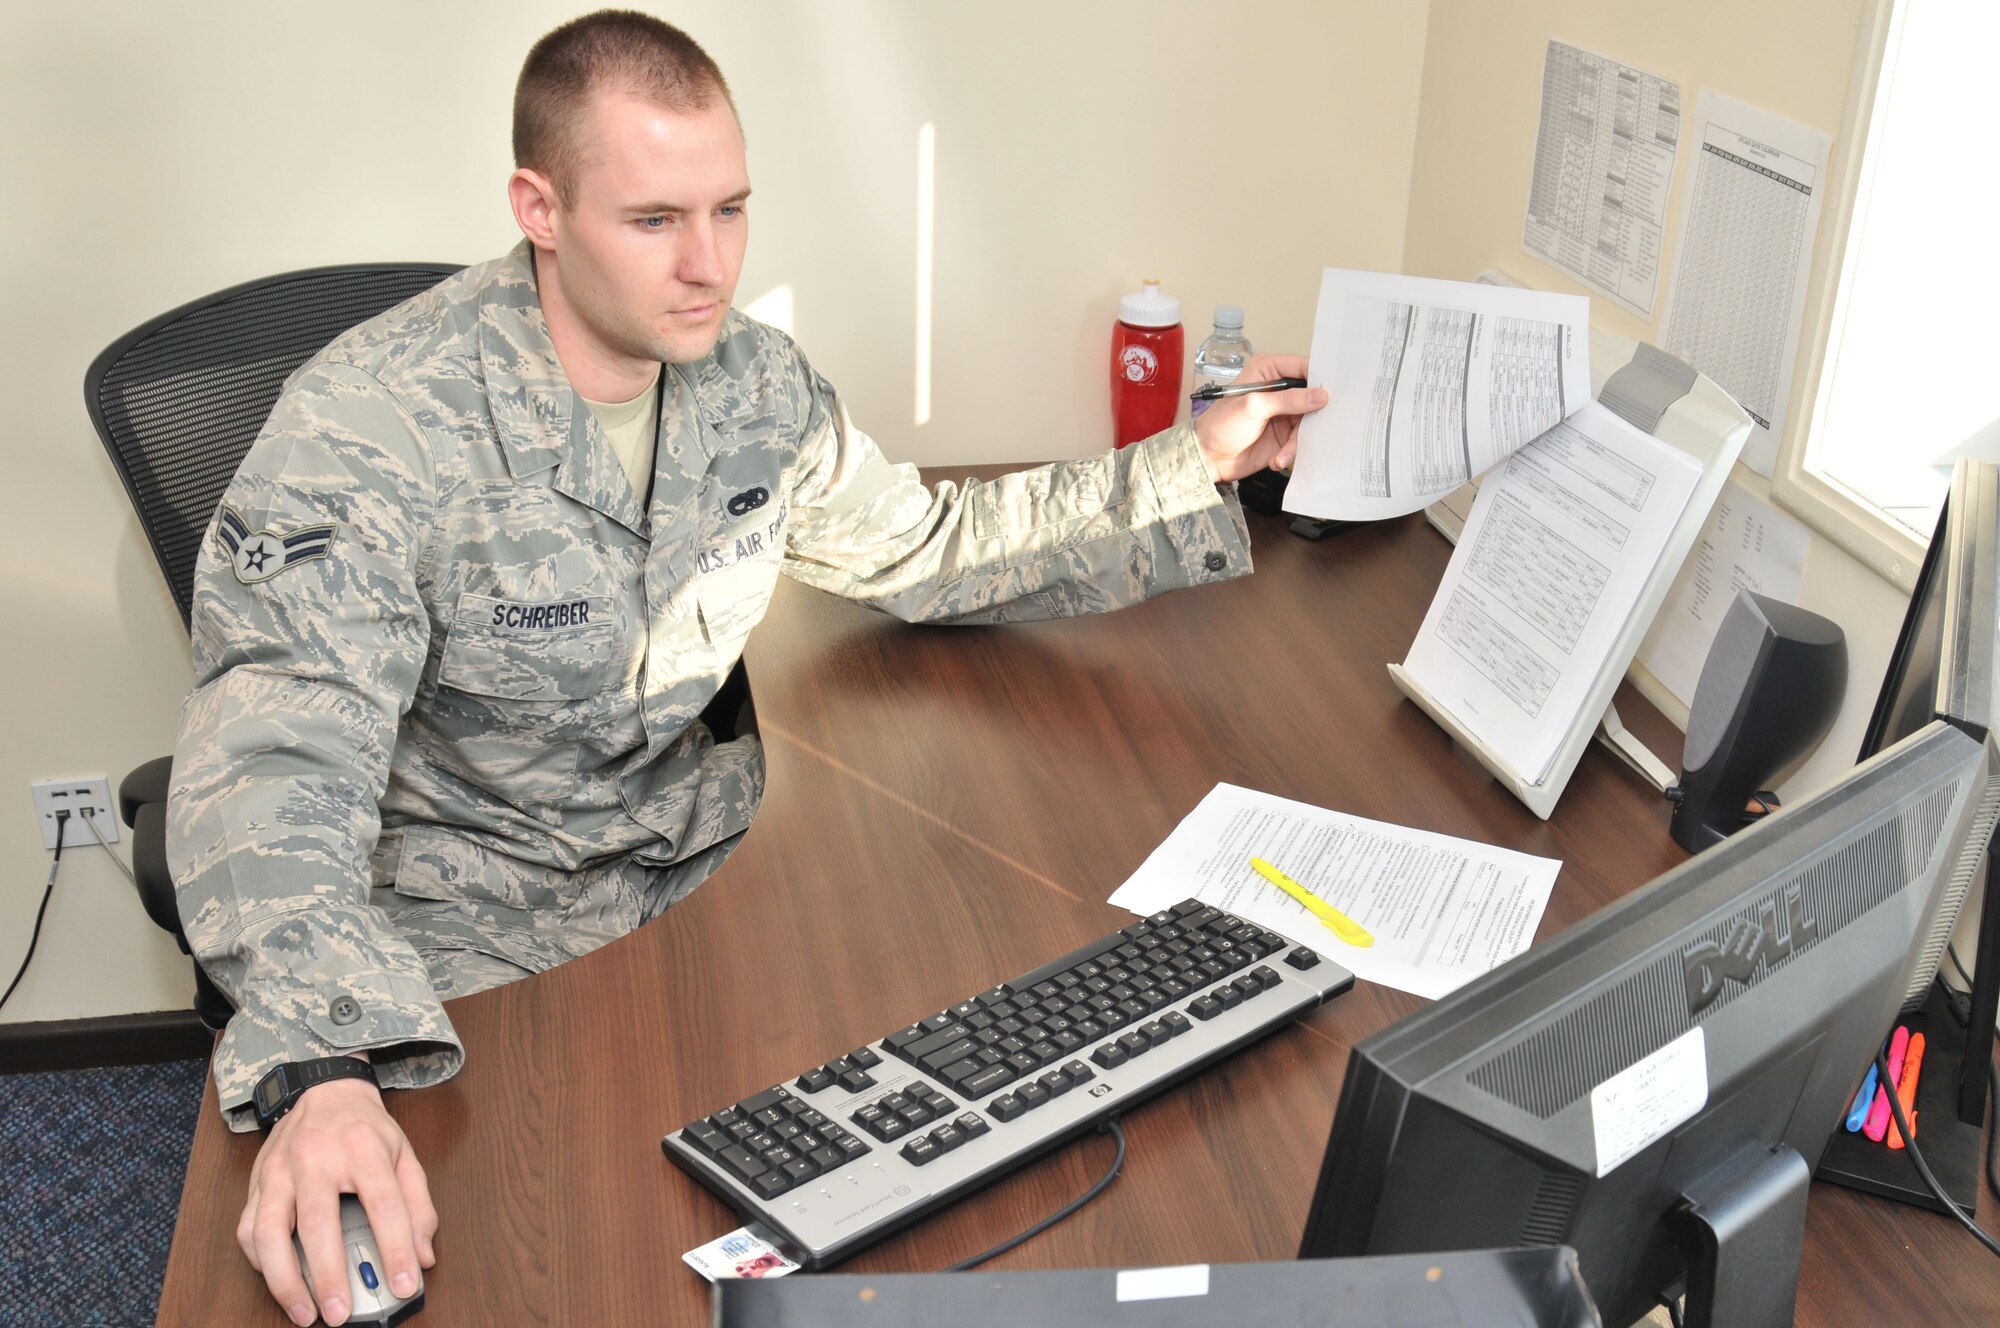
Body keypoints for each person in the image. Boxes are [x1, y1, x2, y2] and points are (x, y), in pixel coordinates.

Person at [166, 11, 1325, 1326]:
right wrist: (323, 1064)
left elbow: (933, 548)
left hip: (705, 879)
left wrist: (1196, 462)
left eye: (732, 210)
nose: (707, 265)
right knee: (537, 1275)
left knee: (962, 1183)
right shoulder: (370, 427)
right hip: (472, 940)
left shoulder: (751, 386)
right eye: (656, 219)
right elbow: (272, 766)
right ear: (538, 207)